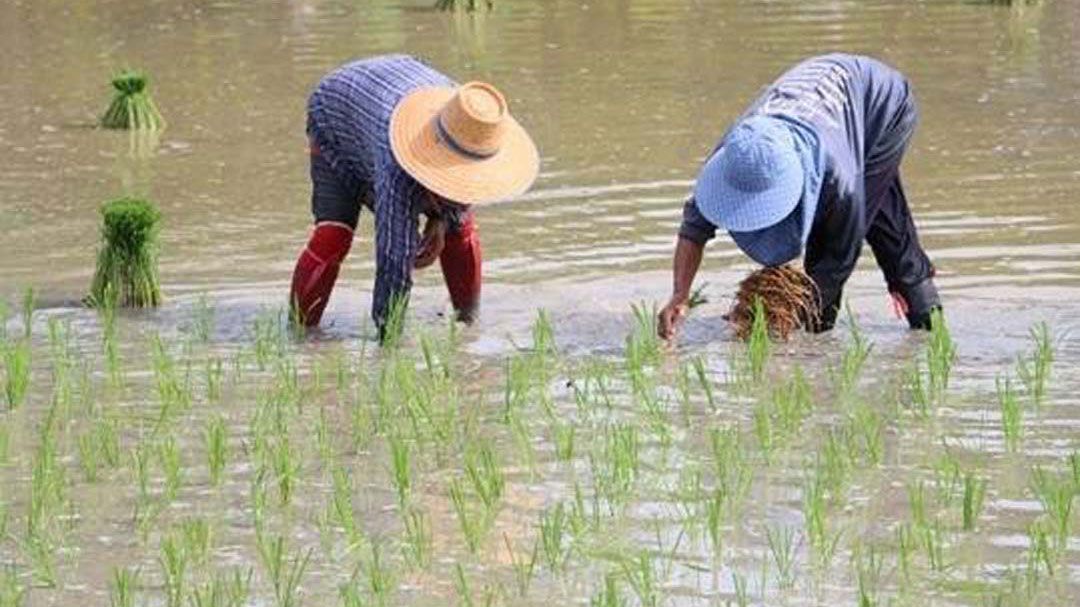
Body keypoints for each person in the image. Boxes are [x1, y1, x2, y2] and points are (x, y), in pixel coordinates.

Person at [658, 53, 941, 340]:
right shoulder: (738, 153)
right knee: (871, 212)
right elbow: (695, 226)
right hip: (825, 99)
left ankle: (925, 326)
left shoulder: (839, 180)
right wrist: (680, 294)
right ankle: (925, 321)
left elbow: (836, 262)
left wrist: (782, 318)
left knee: (869, 232)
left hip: (884, 104)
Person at [290, 55, 539, 341]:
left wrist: (442, 220)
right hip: (336, 113)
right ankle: (299, 337)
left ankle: (469, 321)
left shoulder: (470, 120)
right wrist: (388, 343)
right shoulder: (396, 159)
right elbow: (393, 260)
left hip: (390, 96)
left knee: (459, 228)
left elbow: (465, 186)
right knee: (334, 234)